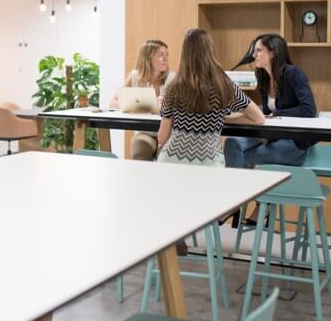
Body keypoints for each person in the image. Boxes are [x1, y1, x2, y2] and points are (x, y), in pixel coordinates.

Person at [157, 28, 264, 255]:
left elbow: (162, 137)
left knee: (170, 186)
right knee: (196, 192)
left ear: (185, 54)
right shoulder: (224, 85)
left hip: (172, 165)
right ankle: (189, 225)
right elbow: (259, 118)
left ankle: (176, 230)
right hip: (208, 168)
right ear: (210, 52)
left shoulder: (173, 86)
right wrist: (222, 116)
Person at [223, 34, 317, 222]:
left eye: (258, 50)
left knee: (242, 157)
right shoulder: (264, 77)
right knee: (232, 144)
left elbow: (309, 109)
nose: (254, 55)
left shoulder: (292, 73)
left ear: (273, 53)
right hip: (272, 137)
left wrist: (278, 114)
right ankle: (241, 204)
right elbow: (265, 115)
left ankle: (249, 204)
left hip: (294, 144)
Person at [110, 39, 175, 160]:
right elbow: (113, 102)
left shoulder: (173, 78)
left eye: (167, 55)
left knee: (165, 157)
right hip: (144, 132)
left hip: (168, 133)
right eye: (160, 55)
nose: (165, 59)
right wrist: (134, 108)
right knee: (139, 150)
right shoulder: (135, 76)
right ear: (148, 58)